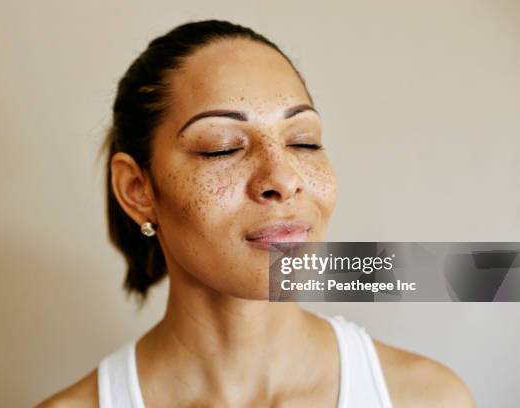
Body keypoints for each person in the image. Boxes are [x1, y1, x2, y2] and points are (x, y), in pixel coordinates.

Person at [36, 20, 474, 407]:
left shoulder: (428, 398)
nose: (284, 178)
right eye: (222, 146)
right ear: (137, 191)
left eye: (304, 141)